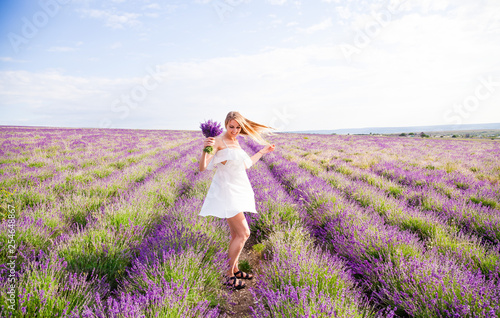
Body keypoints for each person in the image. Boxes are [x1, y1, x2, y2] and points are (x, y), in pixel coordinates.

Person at [198, 111, 275, 290]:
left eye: (238, 127)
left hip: (239, 189)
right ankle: (228, 274)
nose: (234, 130)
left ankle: (235, 269)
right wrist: (205, 148)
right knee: (244, 233)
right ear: (226, 125)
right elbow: (202, 167)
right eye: (231, 126)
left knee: (235, 235)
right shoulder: (216, 141)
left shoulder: (236, 141)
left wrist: (263, 151)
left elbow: (246, 164)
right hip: (227, 191)